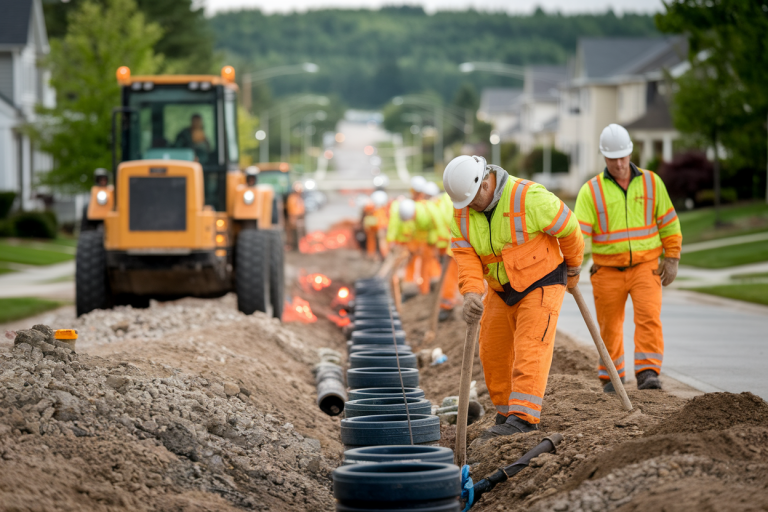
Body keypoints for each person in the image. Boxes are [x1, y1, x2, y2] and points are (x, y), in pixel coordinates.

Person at [444, 155, 584, 439]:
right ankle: (506, 412)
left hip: (542, 280)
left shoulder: (529, 197)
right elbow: (466, 256)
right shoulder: (462, 212)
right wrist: (471, 292)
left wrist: (574, 268)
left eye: (471, 200)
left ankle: (523, 418)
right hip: (501, 287)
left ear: (484, 184)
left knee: (531, 345)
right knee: (492, 349)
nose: (468, 207)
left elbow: (569, 229)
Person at [575, 124, 682, 392]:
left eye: (623, 157)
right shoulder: (591, 191)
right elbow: (579, 235)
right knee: (609, 326)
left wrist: (672, 257)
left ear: (631, 152)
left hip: (646, 267)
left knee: (649, 318)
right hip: (607, 271)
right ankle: (613, 376)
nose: (620, 164)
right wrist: (572, 264)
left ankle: (648, 373)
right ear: (604, 157)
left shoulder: (651, 182)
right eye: (613, 158)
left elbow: (668, 222)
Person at [286, 181, 306, 251]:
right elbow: (292, 210)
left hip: (300, 217)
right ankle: (294, 246)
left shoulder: (299, 198)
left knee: (300, 233)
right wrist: (292, 219)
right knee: (294, 233)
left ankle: (300, 246)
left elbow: (302, 208)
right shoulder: (292, 198)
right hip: (294, 217)